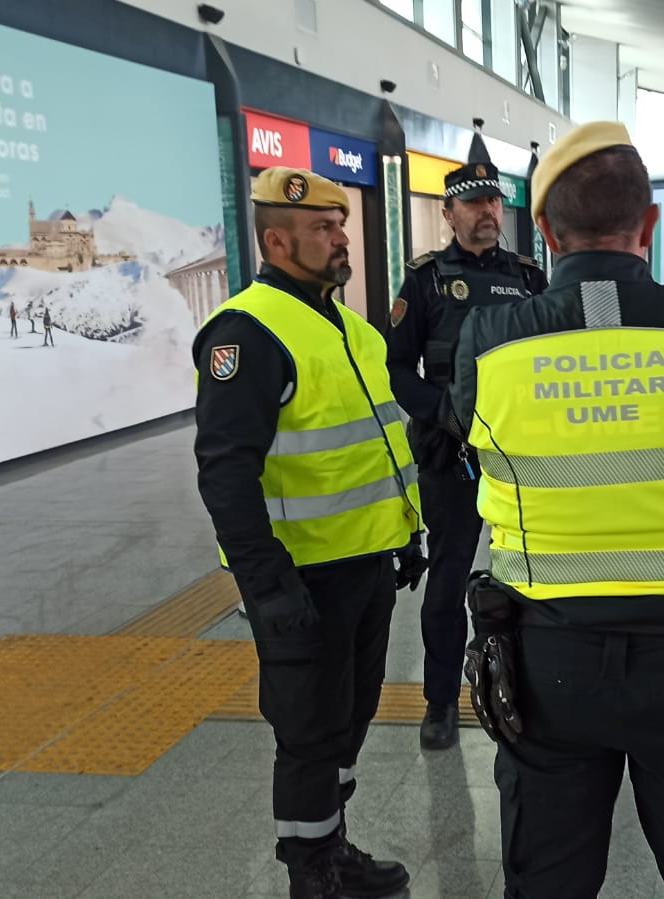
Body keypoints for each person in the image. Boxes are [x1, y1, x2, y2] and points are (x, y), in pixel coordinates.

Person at [449, 122, 664, 899]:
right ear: (652, 224)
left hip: (546, 667)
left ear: (541, 229)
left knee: (549, 880)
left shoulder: (488, 339)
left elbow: (470, 442)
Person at [193, 166, 427, 899]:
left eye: (340, 224)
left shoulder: (348, 325)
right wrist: (267, 586)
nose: (340, 237)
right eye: (323, 228)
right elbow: (225, 475)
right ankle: (311, 874)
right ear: (275, 239)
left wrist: (405, 531)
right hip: (301, 580)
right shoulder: (247, 333)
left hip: (363, 566)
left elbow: (378, 443)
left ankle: (334, 842)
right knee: (306, 731)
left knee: (349, 718)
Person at [385, 128, 547, 751]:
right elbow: (400, 371)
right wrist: (448, 416)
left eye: (494, 204)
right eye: (472, 204)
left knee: (530, 570)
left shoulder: (530, 280)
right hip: (449, 452)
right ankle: (438, 703)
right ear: (448, 213)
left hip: (517, 454)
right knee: (448, 582)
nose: (486, 214)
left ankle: (533, 689)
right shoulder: (425, 282)